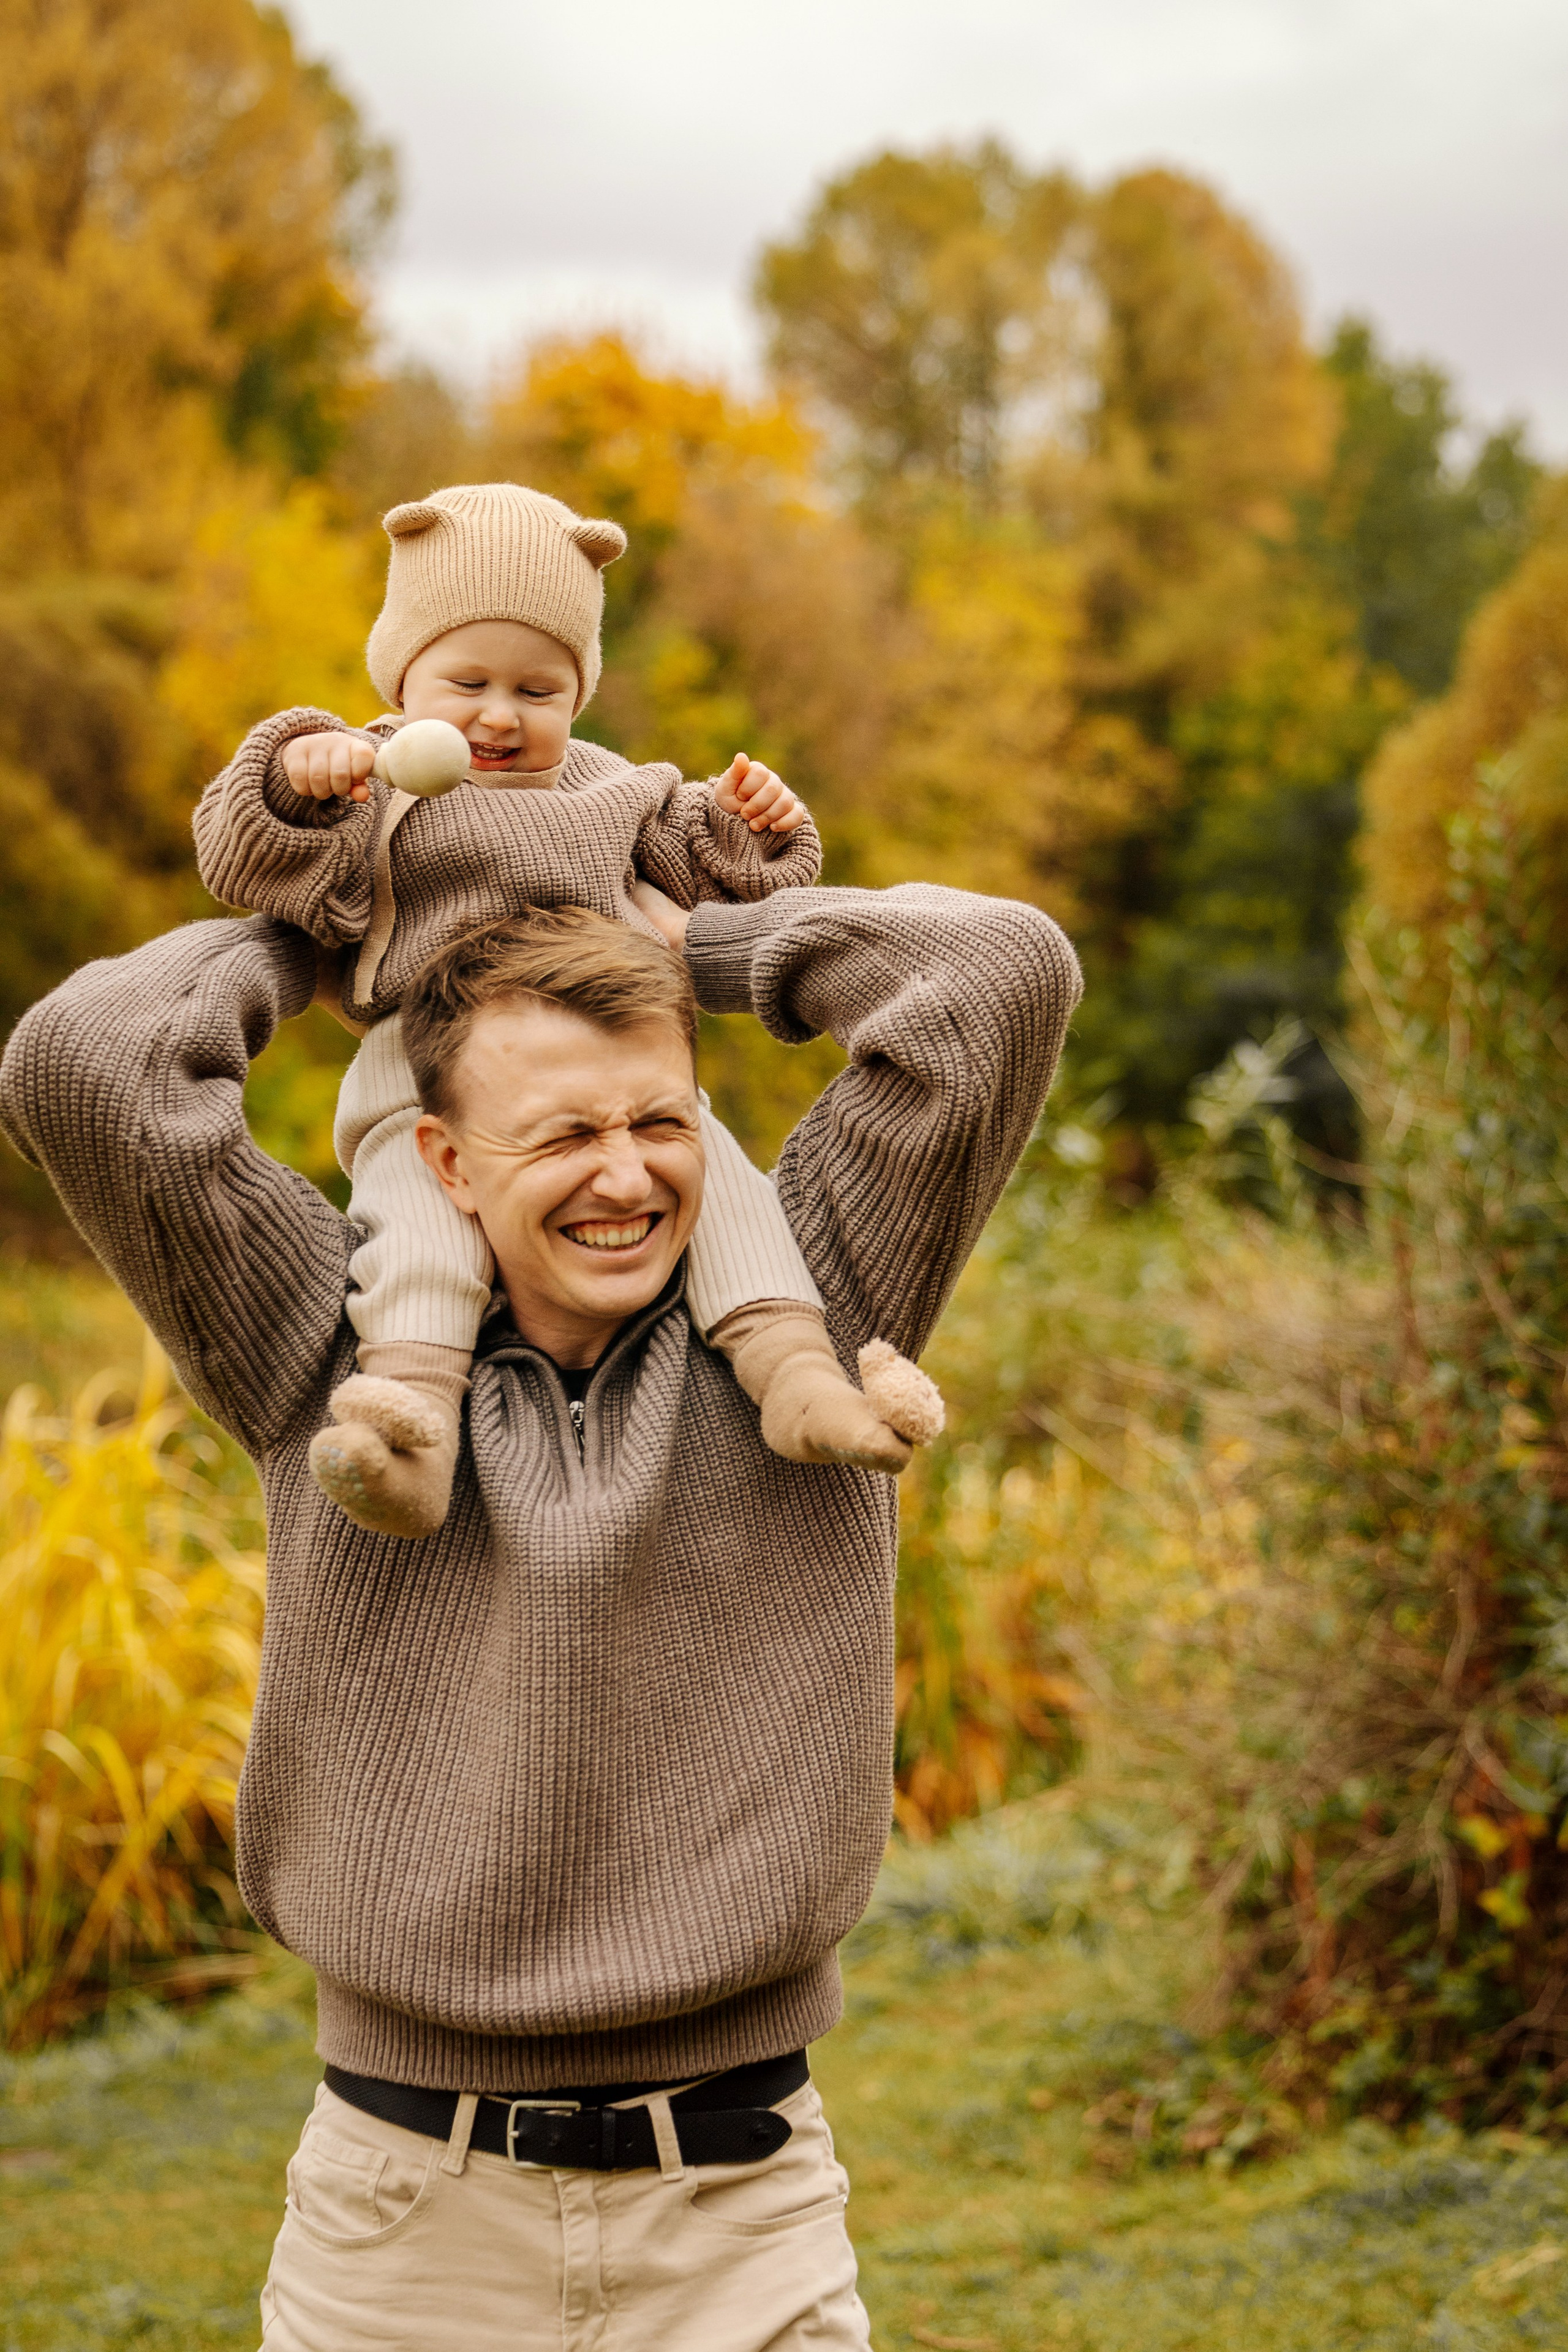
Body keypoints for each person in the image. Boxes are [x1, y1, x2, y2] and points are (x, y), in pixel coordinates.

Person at [1, 864, 1080, 2349]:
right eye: (563, 1134)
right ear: (441, 1161)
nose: (626, 1177)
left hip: (739, 2213)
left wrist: (702, 943)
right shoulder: (325, 1352)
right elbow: (85, 1064)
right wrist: (331, 930)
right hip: (401, 2225)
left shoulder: (816, 1310)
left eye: (658, 1122)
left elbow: (998, 975)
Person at [192, 481, 940, 1543]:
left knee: (727, 1188)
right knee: (416, 1230)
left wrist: (754, 830)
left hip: (620, 1068)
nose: (500, 715)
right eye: (468, 681)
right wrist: (291, 777)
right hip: (424, 1064)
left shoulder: (608, 792)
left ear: (578, 698)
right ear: (400, 676)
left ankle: (796, 1379)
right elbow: (247, 864)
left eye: (538, 690)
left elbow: (727, 880)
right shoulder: (369, 789)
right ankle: (416, 1431)